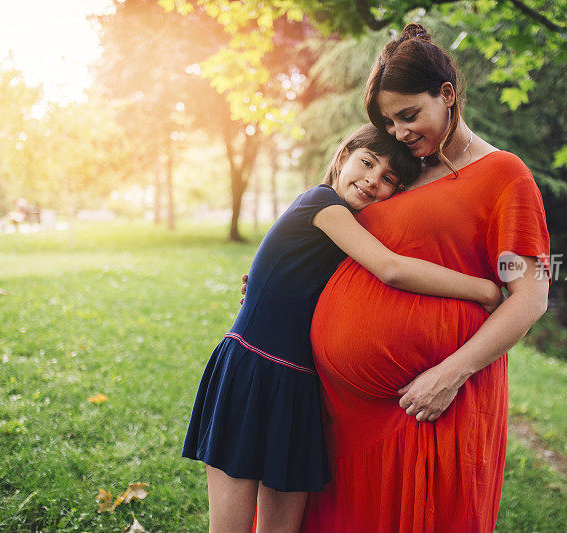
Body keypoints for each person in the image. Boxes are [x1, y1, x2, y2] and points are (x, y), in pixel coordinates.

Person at [182, 124, 503, 533]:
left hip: (298, 390)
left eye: (389, 178)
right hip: (253, 374)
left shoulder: (352, 228)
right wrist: (483, 290)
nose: (373, 179)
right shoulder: (322, 202)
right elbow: (391, 269)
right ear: (343, 156)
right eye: (367, 163)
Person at [300, 24, 551, 531]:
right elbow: (365, 249)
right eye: (390, 122)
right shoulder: (403, 171)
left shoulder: (505, 176)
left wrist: (448, 375)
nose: (399, 132)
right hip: (344, 408)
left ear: (447, 94)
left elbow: (529, 298)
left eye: (409, 115)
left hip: (431, 403)